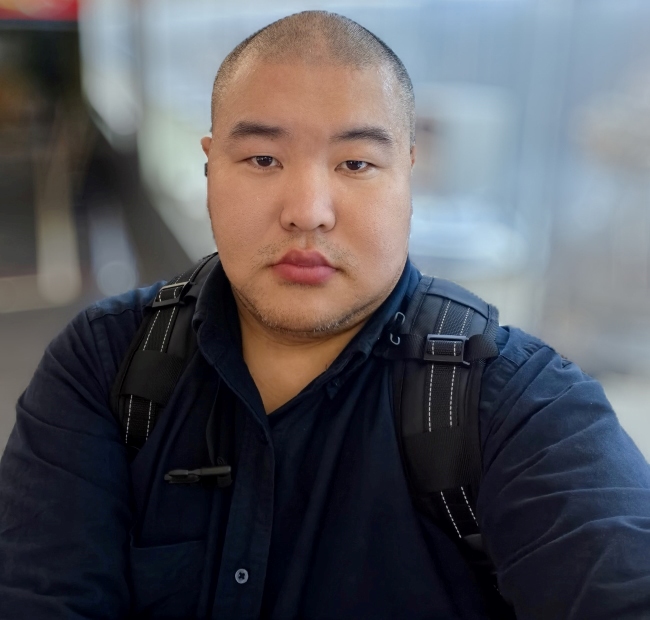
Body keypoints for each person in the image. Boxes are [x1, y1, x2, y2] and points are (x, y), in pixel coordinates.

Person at [1, 10, 649, 620]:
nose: (308, 211)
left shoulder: (512, 403)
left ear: (409, 172)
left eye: (356, 163)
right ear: (209, 164)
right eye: (263, 160)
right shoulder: (110, 363)